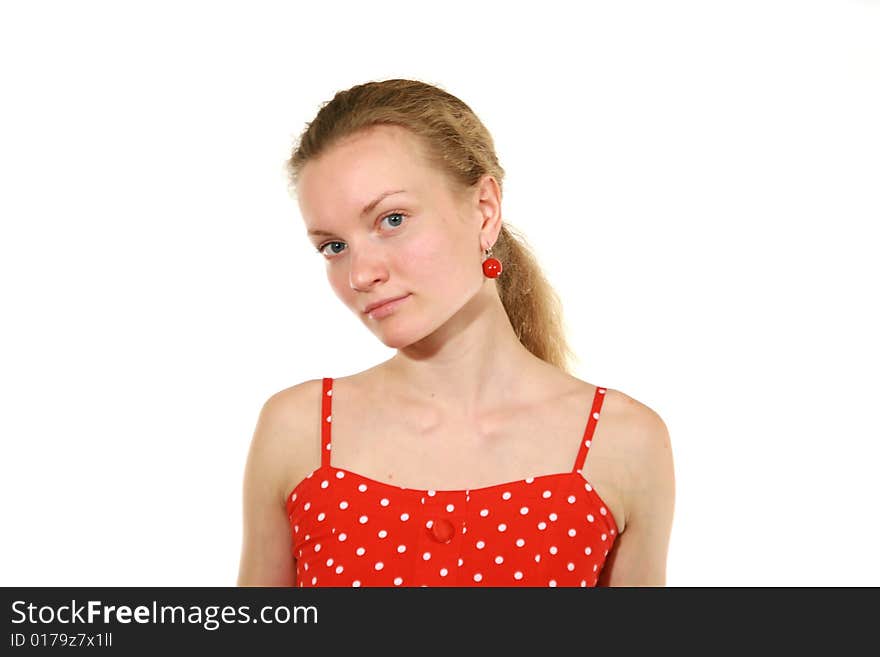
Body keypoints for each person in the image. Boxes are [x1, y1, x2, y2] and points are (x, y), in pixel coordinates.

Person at [237, 79, 675, 587]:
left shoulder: (622, 442)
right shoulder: (298, 431)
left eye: (392, 219)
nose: (359, 275)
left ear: (484, 209)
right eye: (333, 247)